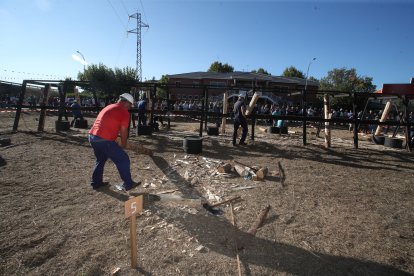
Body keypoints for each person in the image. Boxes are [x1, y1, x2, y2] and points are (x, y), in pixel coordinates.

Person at [88, 93, 139, 191]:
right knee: (123, 159)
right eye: (130, 105)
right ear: (126, 103)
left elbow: (107, 124)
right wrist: (124, 144)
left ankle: (96, 182)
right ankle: (128, 184)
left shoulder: (109, 106)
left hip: (92, 137)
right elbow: (124, 130)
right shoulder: (124, 112)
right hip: (103, 140)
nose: (130, 107)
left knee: (101, 159)